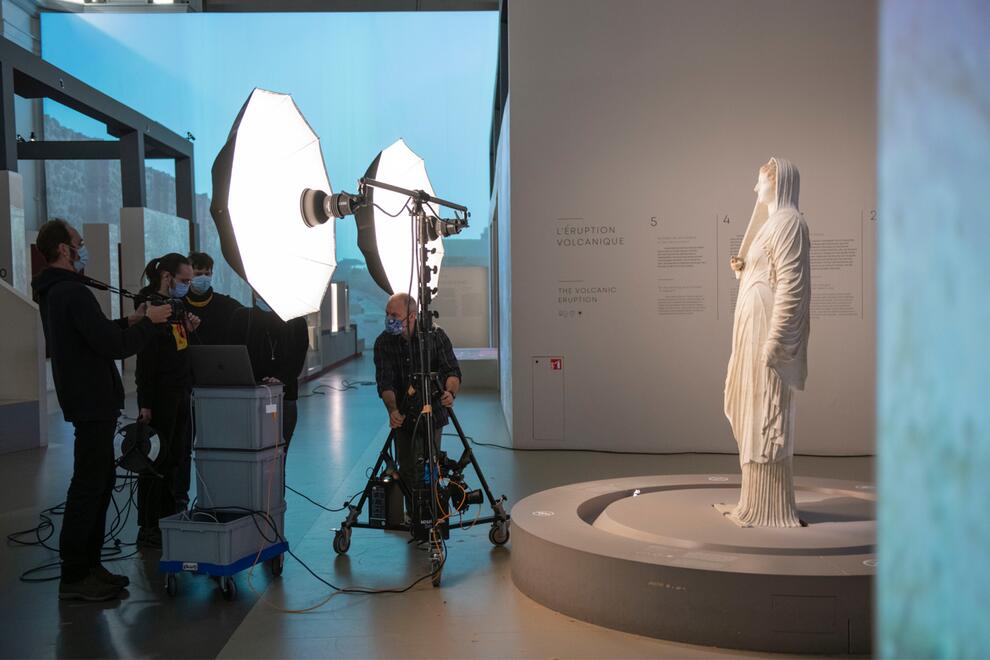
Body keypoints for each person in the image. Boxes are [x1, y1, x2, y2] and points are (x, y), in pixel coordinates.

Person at [31, 219, 171, 601]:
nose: (82, 247)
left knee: (99, 482)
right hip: (90, 400)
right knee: (88, 487)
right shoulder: (70, 293)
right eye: (78, 242)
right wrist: (150, 325)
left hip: (88, 399)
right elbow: (110, 345)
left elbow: (95, 332)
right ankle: (75, 575)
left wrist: (132, 319)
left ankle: (89, 566)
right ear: (64, 249)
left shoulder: (57, 291)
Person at [134, 253, 201, 549]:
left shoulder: (177, 305)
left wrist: (191, 330)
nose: (188, 286)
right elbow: (145, 360)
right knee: (155, 462)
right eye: (184, 280)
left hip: (181, 391)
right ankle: (149, 525)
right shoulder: (148, 306)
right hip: (160, 395)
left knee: (176, 457)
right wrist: (145, 402)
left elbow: (180, 347)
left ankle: (170, 516)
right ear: (167, 277)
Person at [373, 293, 461, 511]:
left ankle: (431, 513)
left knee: (430, 465)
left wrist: (450, 392)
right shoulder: (383, 342)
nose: (389, 319)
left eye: (394, 315)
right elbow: (386, 383)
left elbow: (452, 370)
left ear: (412, 316)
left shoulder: (435, 336)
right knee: (407, 469)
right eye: (387, 314)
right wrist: (392, 410)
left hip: (434, 412)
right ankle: (414, 515)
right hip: (403, 415)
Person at [228, 296, 309, 455]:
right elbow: (233, 352)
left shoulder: (296, 320)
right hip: (251, 393)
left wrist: (281, 379)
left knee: (280, 449)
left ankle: (279, 479)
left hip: (285, 395)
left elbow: (298, 356)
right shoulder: (243, 317)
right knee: (252, 449)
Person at [183, 251, 245, 345]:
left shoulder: (226, 305)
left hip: (221, 358)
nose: (203, 277)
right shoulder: (179, 304)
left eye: (207, 274)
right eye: (198, 274)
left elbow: (248, 318)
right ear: (188, 275)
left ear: (212, 274)